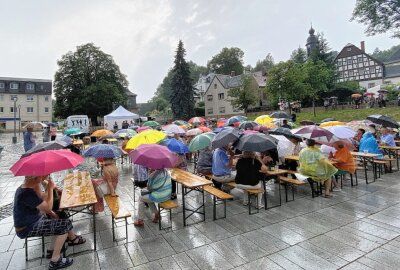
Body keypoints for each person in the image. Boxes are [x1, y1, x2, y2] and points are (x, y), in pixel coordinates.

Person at [13, 176, 86, 270]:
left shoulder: (28, 188)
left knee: (60, 215)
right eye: (41, 176)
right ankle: (55, 261)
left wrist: (51, 212)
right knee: (65, 226)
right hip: (27, 227)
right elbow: (48, 207)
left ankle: (52, 250)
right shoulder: (26, 193)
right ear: (34, 178)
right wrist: (50, 189)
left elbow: (42, 202)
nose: (44, 177)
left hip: (34, 220)